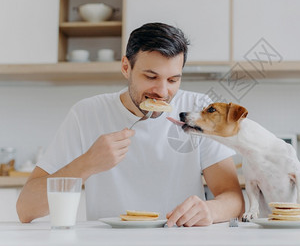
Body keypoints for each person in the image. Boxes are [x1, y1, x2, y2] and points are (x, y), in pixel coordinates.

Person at [16, 22, 245, 227]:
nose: (163, 92)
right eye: (151, 77)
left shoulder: (199, 110)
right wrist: (88, 164)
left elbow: (233, 199)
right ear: (126, 67)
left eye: (173, 80)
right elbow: (26, 209)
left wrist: (210, 210)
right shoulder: (86, 114)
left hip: (179, 238)